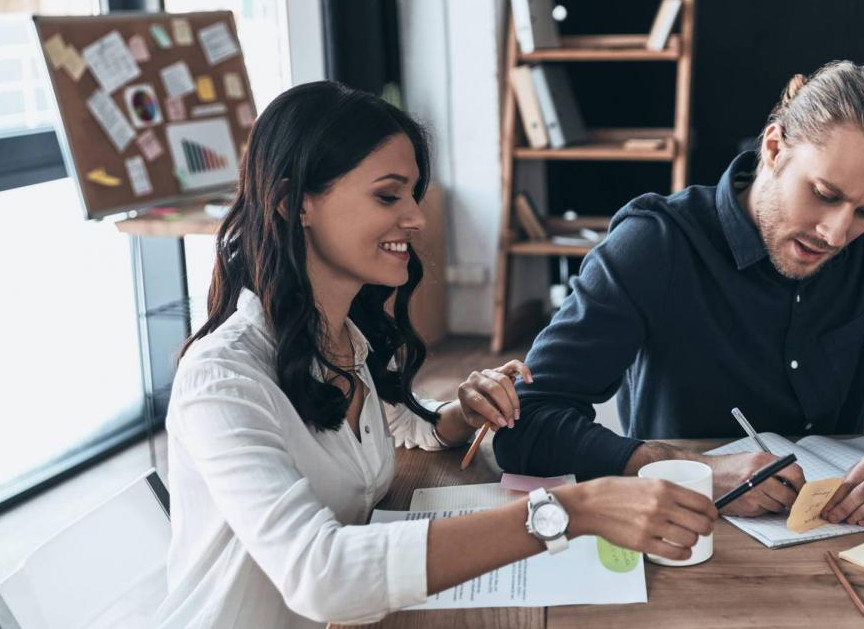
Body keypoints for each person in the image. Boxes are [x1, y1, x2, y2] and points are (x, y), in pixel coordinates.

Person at [154, 81, 717, 629]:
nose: (417, 218)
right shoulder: (223, 379)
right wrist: (572, 510)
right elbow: (318, 572)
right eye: (387, 195)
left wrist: (459, 414)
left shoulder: (346, 339)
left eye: (413, 194)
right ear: (292, 203)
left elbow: (399, 426)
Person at [494, 61, 864, 527]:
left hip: (831, 537)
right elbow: (527, 421)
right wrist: (691, 471)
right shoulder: (656, 244)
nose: (838, 233)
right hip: (682, 536)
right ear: (774, 148)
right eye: (825, 194)